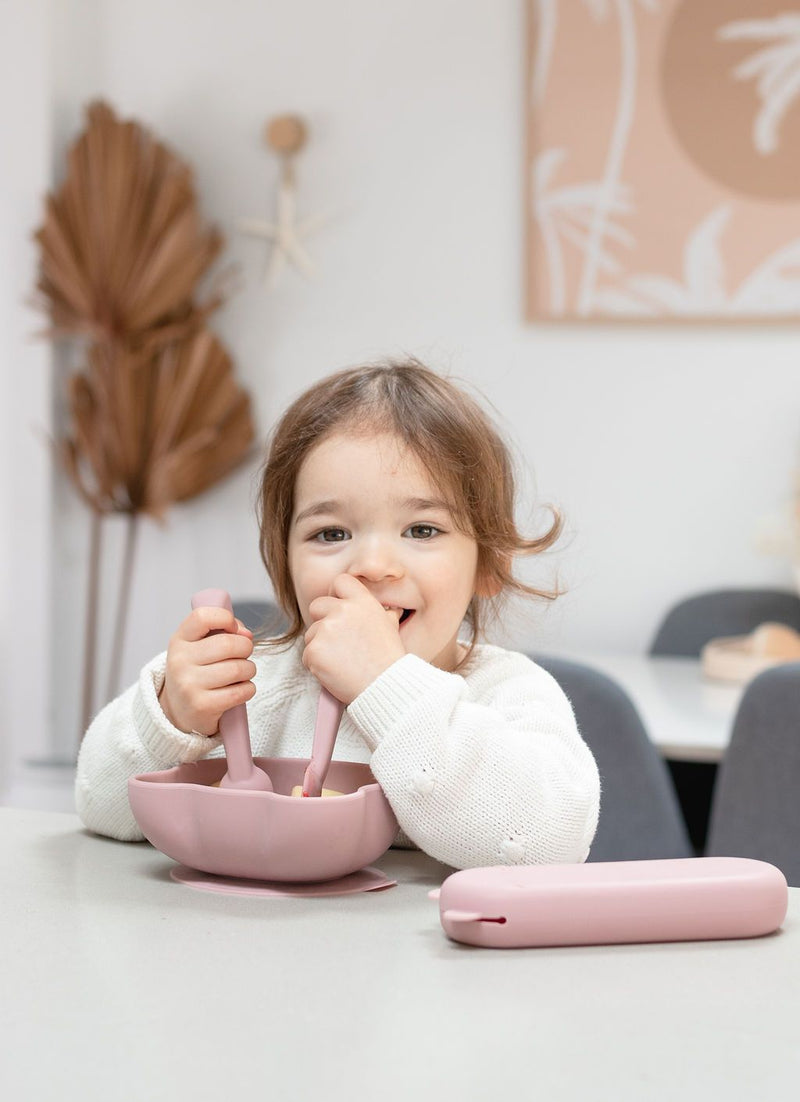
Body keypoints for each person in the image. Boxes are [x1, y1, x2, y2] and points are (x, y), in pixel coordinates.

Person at [76, 359, 600, 869]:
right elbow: (99, 804)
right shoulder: (248, 691)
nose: (372, 565)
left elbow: (546, 843)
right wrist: (172, 719)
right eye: (331, 534)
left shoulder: (508, 693)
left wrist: (387, 686)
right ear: (286, 567)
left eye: (422, 530)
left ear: (488, 563)